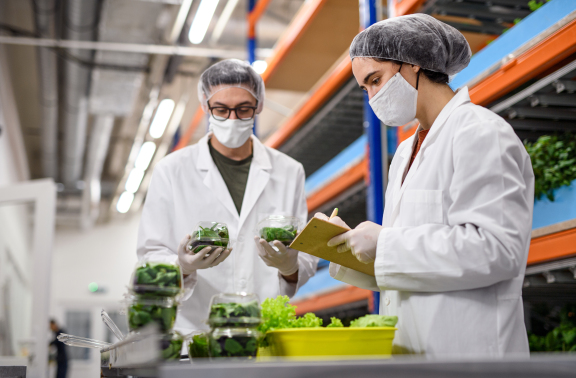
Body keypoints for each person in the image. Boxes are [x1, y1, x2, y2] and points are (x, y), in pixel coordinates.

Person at [316, 14, 534, 357]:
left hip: (471, 353)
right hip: (413, 350)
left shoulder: (480, 132)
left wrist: (385, 243)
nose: (373, 96)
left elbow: (496, 250)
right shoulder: (405, 153)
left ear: (412, 63)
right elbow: (411, 266)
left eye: (376, 79)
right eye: (365, 88)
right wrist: (348, 246)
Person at [137, 59, 319, 335]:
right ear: (206, 106)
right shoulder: (171, 171)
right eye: (221, 109)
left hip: (263, 330)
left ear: (258, 106)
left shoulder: (289, 171)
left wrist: (289, 266)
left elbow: (304, 257)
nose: (232, 119)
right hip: (196, 332)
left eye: (243, 109)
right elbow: (150, 257)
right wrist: (182, 267)